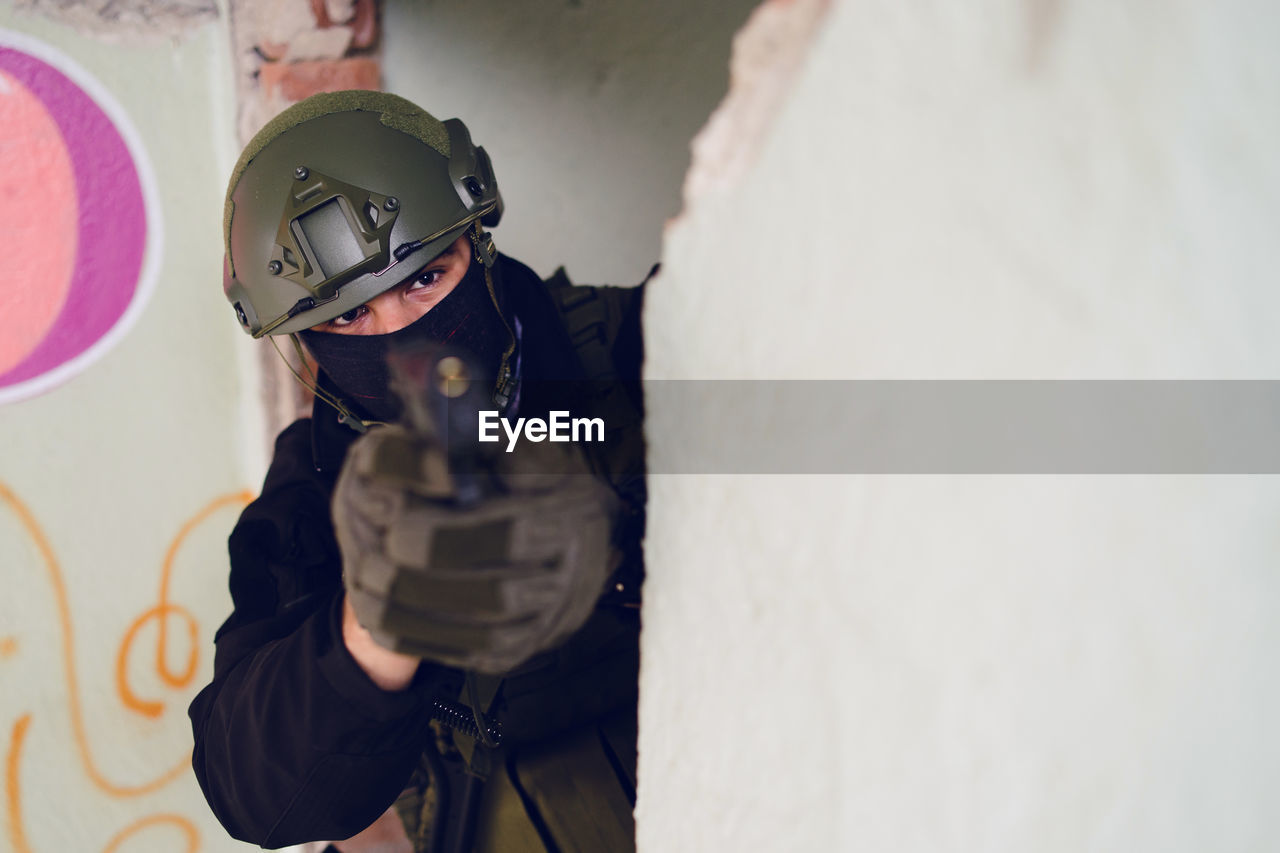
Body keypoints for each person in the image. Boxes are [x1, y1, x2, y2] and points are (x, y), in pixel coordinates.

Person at [189, 90, 647, 853]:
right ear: (303, 339)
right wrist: (378, 628)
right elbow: (251, 790)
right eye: (347, 316)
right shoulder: (314, 491)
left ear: (478, 244)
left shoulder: (634, 347)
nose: (401, 333)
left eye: (425, 280)